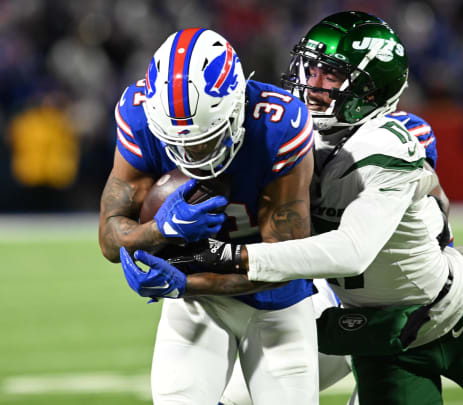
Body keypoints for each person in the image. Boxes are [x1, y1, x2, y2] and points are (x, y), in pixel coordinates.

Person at [123, 12, 463, 405]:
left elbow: (352, 248)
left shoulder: (392, 142)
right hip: (371, 330)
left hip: (443, 309)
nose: (311, 84)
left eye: (330, 76)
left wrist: (226, 258)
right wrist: (159, 245)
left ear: (372, 90)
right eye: (309, 68)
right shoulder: (282, 134)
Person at [98, 28, 319, 404]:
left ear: (236, 108)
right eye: (178, 143)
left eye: (205, 139)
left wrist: (184, 280)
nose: (193, 154)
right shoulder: (139, 116)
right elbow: (109, 235)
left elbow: (284, 259)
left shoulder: (278, 124)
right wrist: (157, 231)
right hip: (197, 307)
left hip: (276, 302)